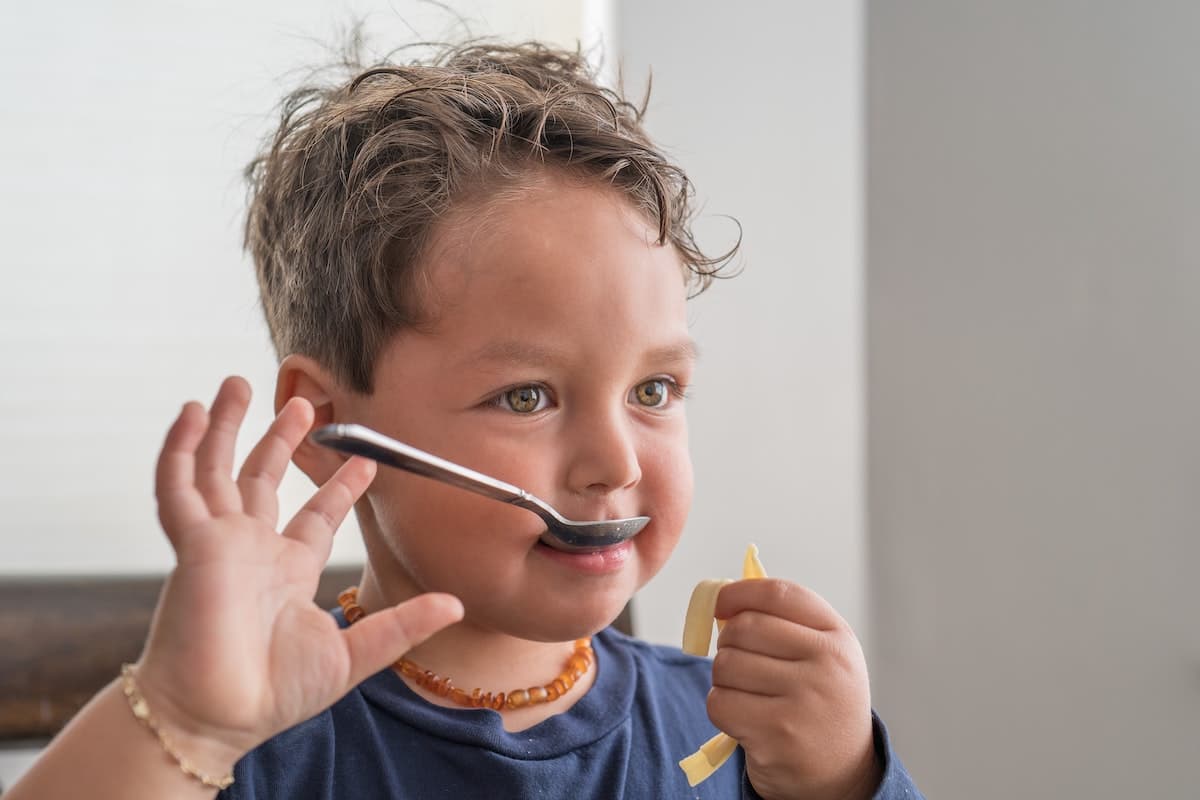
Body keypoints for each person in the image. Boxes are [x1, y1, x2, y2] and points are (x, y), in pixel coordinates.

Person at [8, 39, 923, 800]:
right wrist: (182, 723)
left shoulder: (746, 735)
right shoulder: (249, 744)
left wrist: (843, 780)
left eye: (654, 392)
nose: (614, 464)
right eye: (527, 396)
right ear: (326, 426)